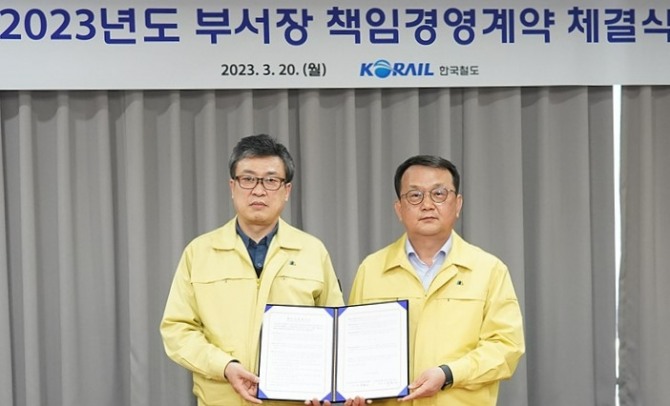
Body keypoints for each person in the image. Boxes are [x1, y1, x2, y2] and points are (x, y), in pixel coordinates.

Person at [160, 134, 344, 406]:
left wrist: (327, 389)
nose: (258, 191)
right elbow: (177, 330)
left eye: (271, 180)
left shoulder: (312, 251)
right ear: (232, 186)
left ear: (287, 190)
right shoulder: (199, 253)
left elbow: (336, 330)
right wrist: (225, 366)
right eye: (248, 179)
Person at [346, 155, 525, 406]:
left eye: (439, 194)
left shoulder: (489, 270)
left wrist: (448, 374)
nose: (427, 204)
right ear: (399, 209)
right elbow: (355, 348)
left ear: (458, 204)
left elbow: (506, 348)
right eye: (415, 195)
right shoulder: (372, 269)